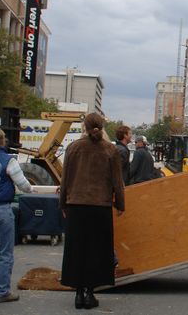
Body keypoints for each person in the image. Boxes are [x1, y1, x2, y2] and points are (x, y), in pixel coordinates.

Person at [59, 113, 125, 310]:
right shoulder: (110, 150)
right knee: (98, 250)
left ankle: (78, 293)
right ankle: (90, 292)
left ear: (84, 127)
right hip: (100, 207)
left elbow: (65, 180)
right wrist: (120, 204)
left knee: (77, 250)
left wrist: (63, 204)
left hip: (76, 206)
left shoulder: (73, 148)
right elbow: (117, 181)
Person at [0, 127, 33, 304]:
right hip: (2, 209)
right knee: (5, 253)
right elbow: (24, 185)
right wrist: (31, 189)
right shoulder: (8, 161)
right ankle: (3, 291)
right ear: (3, 141)